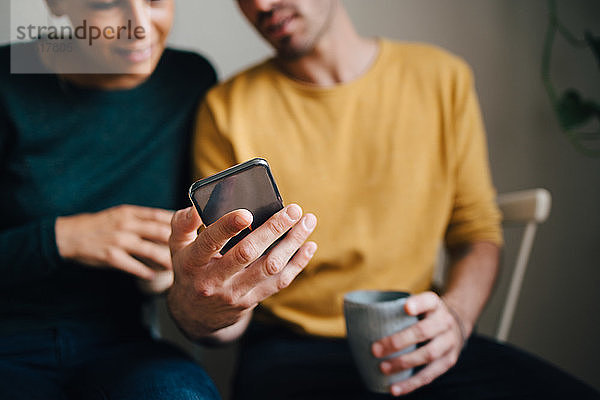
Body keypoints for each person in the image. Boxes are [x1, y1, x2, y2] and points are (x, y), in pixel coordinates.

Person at [167, 0, 600, 399]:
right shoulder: (226, 109)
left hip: (416, 334)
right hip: (290, 351)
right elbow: (227, 290)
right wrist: (207, 311)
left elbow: (476, 230)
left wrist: (457, 318)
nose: (261, 4)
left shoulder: (441, 78)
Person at [0, 0, 220, 398]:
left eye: (154, 0)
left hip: (123, 344)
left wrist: (171, 269)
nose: (138, 26)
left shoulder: (188, 80)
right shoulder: (9, 75)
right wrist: (62, 238)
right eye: (106, 4)